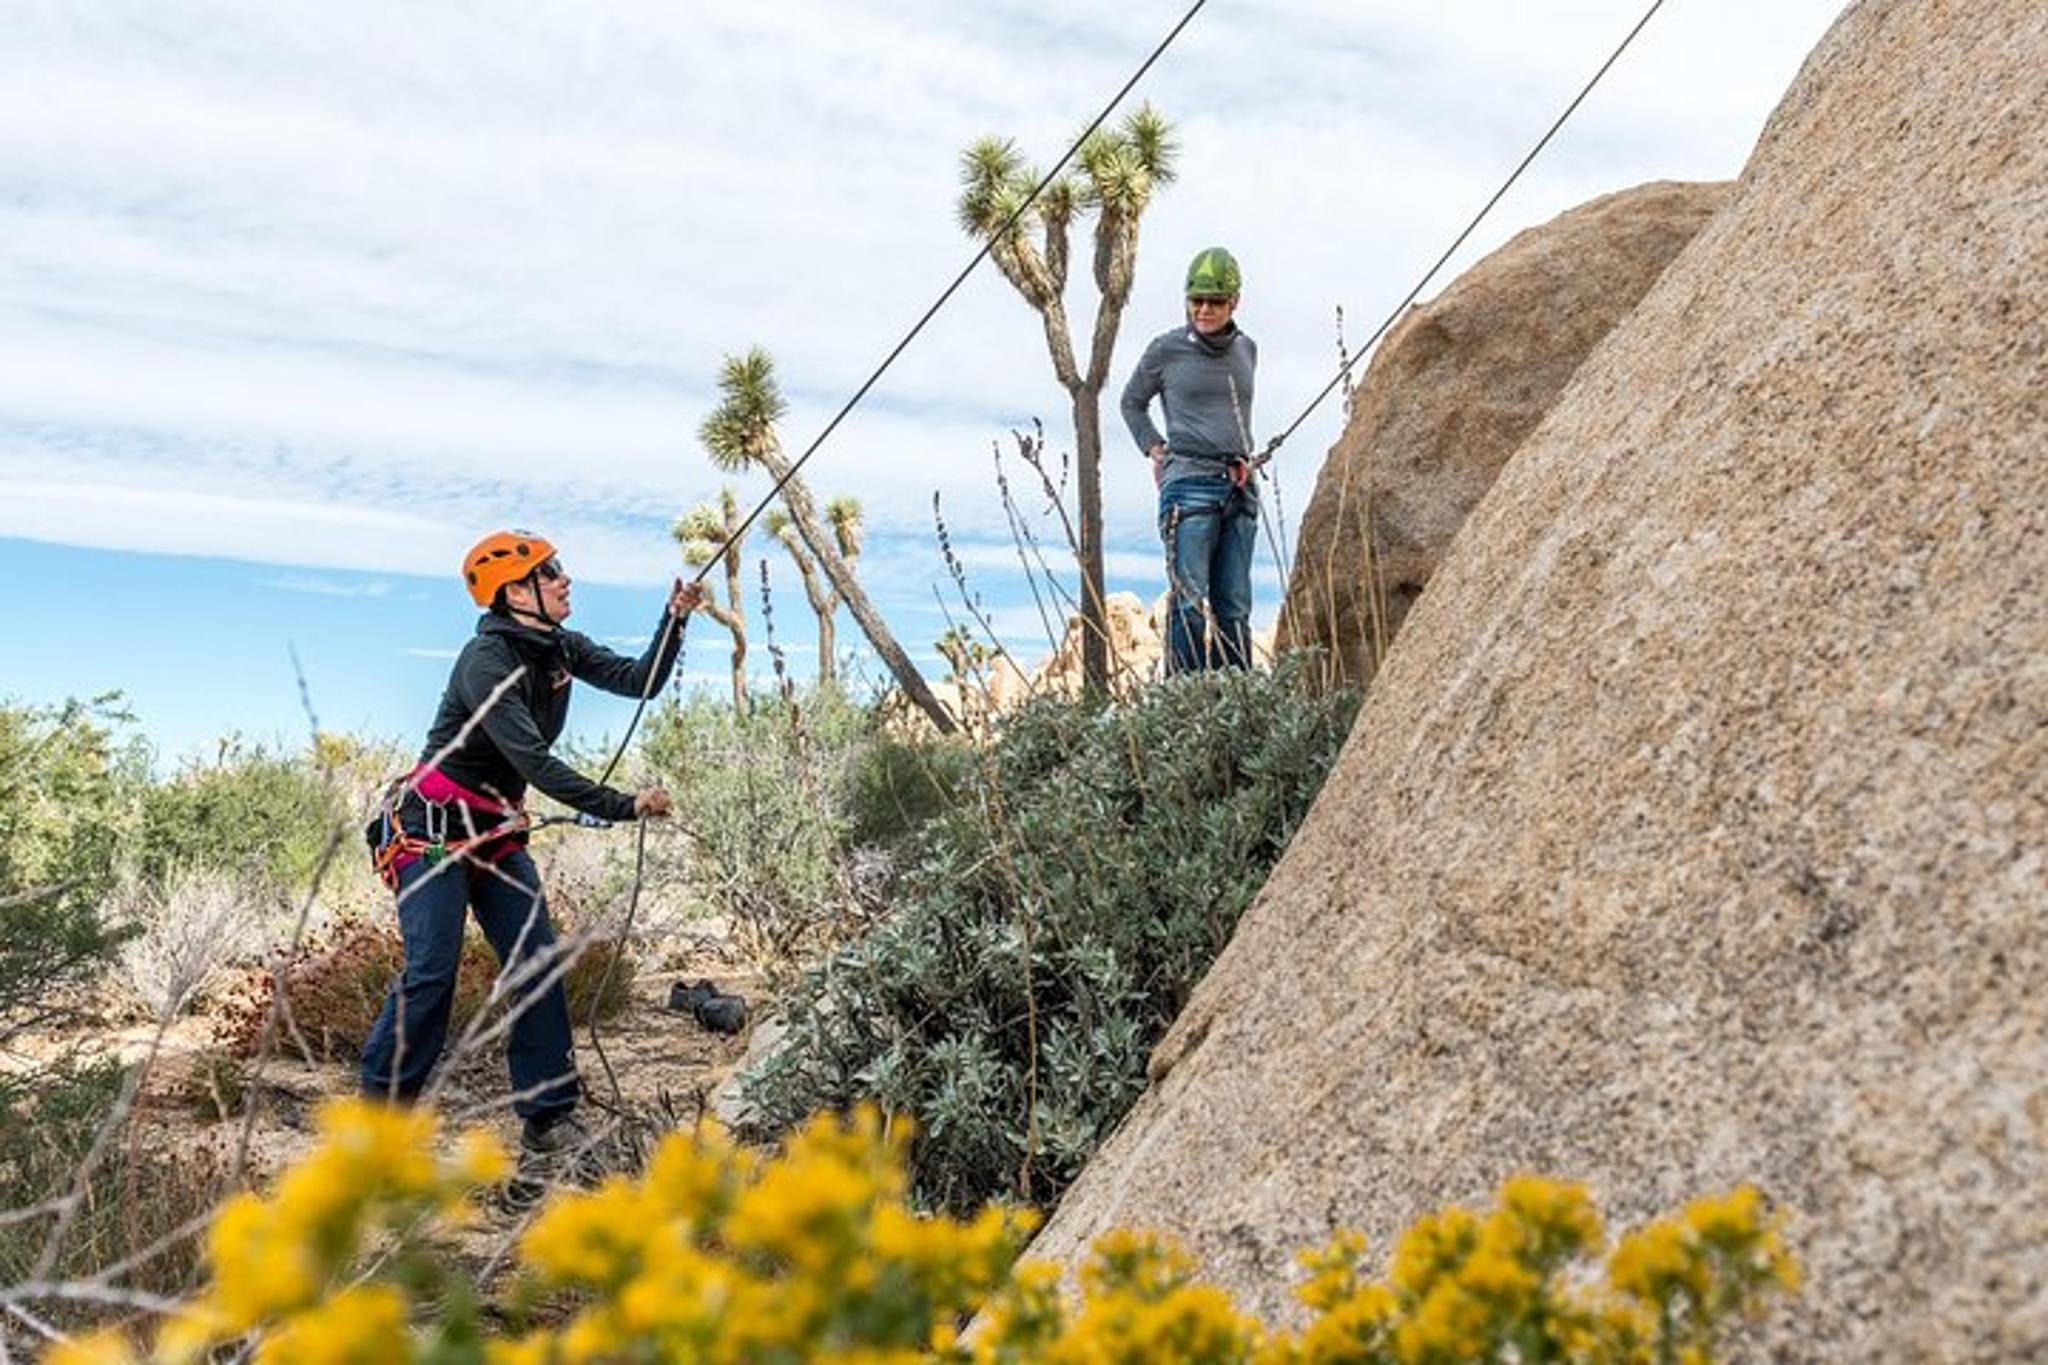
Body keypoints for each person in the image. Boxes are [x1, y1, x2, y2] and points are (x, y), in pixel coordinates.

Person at [360, 529, 704, 1167]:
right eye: (550, 572)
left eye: (557, 568)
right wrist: (623, 804)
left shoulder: (559, 646)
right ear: (514, 593)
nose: (564, 579)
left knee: (538, 963)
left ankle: (547, 1120)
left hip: (494, 833)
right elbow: (536, 765)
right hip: (430, 834)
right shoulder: (486, 663)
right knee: (432, 972)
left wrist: (674, 621)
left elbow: (640, 681)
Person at [1120, 246, 1259, 673]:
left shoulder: (1247, 349)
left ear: (1234, 301)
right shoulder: (1166, 349)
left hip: (1239, 486)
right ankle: (1184, 700)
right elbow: (1132, 402)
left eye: (1214, 301)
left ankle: (1240, 698)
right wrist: (1154, 447)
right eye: (1196, 300)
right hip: (1189, 485)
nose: (1203, 310)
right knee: (1189, 603)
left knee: (1235, 606)